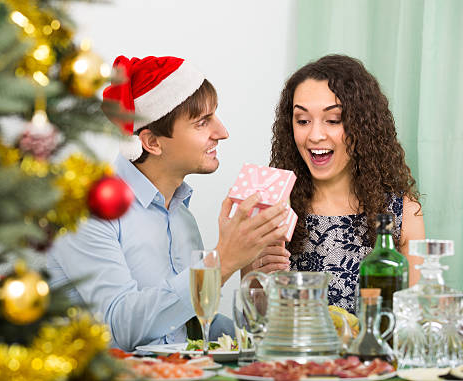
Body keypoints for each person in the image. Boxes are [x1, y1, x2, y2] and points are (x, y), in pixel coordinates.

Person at [47, 55, 290, 351]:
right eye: (202, 122)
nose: (222, 132)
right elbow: (121, 327)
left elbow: (191, 330)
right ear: (152, 142)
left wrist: (252, 282)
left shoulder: (180, 216)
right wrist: (220, 262)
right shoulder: (88, 210)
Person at [243, 55, 425, 313]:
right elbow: (252, 321)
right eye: (303, 121)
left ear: (363, 126)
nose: (315, 135)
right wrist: (256, 276)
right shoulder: (269, 209)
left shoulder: (403, 213)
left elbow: (412, 322)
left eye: (333, 120)